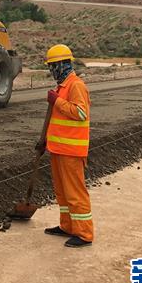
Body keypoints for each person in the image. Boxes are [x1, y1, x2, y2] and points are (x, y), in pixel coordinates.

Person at [36, 44, 93, 247]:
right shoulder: (61, 87)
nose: (51, 70)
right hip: (58, 149)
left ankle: (84, 233)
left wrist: (57, 101)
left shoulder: (75, 85)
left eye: (53, 66)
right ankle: (68, 226)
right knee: (62, 192)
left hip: (72, 151)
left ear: (62, 65)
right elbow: (57, 120)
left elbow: (80, 113)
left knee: (75, 193)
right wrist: (45, 142)